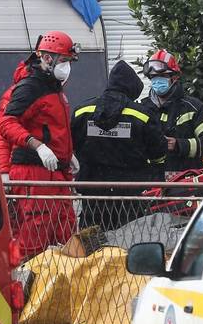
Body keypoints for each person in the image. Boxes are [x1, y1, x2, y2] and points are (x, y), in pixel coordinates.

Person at [0, 30, 81, 263]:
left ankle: (61, 281)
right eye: (63, 60)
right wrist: (38, 146)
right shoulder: (30, 87)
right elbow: (6, 123)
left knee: (66, 231)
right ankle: (24, 278)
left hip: (55, 172)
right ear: (46, 58)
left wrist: (67, 154)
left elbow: (52, 127)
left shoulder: (53, 87)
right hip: (34, 172)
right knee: (36, 234)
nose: (66, 67)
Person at [71, 60, 168, 231]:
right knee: (129, 240)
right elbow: (158, 153)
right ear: (132, 89)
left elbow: (71, 145)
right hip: (131, 193)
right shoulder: (143, 115)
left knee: (91, 240)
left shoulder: (82, 111)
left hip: (93, 192)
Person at [139, 49, 203, 174]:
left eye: (162, 76)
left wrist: (178, 145)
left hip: (184, 178)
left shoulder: (193, 107)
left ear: (174, 77)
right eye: (153, 77)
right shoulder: (142, 108)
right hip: (151, 178)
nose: (157, 81)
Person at [0, 60, 30, 177]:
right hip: (22, 165)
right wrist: (3, 171)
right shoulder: (17, 93)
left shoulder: (51, 91)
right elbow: (1, 136)